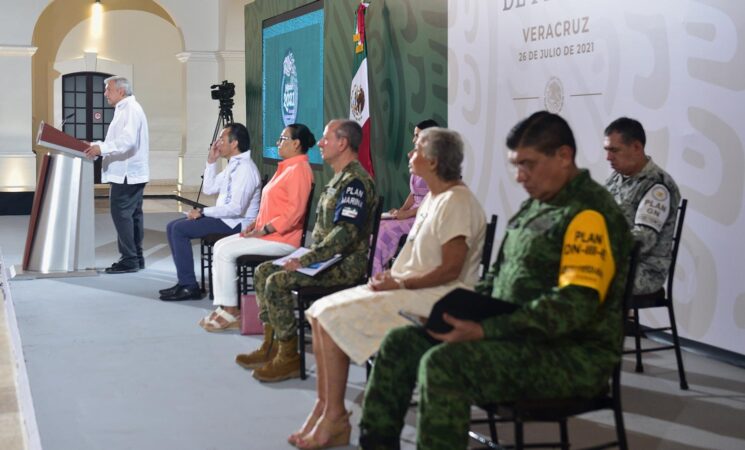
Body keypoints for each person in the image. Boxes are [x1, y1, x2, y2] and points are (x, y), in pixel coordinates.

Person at [358, 111, 632, 450]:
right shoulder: (537, 206)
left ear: (564, 156)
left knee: (444, 365)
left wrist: (486, 330)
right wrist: (455, 314)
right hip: (512, 338)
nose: (520, 176)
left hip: (567, 355)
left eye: (528, 165)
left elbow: (572, 306)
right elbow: (495, 280)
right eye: (516, 165)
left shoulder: (589, 214)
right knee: (400, 343)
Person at [290, 127, 486, 450]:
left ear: (434, 162)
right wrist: (391, 279)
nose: (411, 154)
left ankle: (333, 417)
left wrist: (400, 281)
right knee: (319, 312)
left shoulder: (457, 202)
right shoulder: (435, 198)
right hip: (405, 288)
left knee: (327, 315)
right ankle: (327, 410)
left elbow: (451, 268)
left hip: (434, 299)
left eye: (418, 149)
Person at [234, 119, 377, 383]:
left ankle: (288, 356)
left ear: (343, 143)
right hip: (325, 259)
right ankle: (272, 345)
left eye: (326, 138)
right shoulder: (340, 178)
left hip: (343, 265)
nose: (320, 143)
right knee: (264, 270)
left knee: (277, 281)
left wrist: (305, 260)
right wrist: (307, 259)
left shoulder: (355, 181)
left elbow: (343, 236)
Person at [198, 123, 315, 331]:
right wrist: (255, 224)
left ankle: (232, 311)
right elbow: (270, 207)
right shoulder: (286, 167)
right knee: (220, 246)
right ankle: (225, 305)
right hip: (267, 235)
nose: (279, 143)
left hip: (282, 240)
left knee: (225, 251)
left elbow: (293, 213)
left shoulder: (299, 170)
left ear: (296, 144)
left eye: (283, 139)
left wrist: (266, 229)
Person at [159, 123, 261, 301]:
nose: (217, 142)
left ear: (234, 143)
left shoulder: (245, 169)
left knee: (179, 230)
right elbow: (209, 188)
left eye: (222, 139)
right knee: (172, 226)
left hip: (238, 224)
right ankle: (185, 282)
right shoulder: (234, 165)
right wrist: (211, 162)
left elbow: (236, 208)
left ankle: (189, 286)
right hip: (226, 219)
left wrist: (203, 212)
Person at [603, 117, 681, 295]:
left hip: (643, 270)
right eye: (607, 150)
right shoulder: (616, 179)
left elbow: (643, 239)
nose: (608, 157)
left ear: (637, 148)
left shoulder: (657, 185)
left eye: (614, 150)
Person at [84, 76, 149, 274]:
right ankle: (136, 257)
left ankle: (129, 259)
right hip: (130, 173)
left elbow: (127, 141)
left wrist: (101, 148)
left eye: (108, 90)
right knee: (132, 216)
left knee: (122, 216)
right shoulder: (126, 109)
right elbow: (119, 139)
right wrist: (97, 145)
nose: (105, 94)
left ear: (121, 91)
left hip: (127, 174)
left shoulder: (130, 109)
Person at [371, 119, 438, 275]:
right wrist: (399, 212)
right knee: (378, 223)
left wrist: (406, 214)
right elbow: (414, 194)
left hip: (425, 217)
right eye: (414, 135)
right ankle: (376, 273)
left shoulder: (435, 164)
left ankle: (377, 273)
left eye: (417, 136)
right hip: (413, 213)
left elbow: (431, 199)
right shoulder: (419, 160)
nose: (413, 140)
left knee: (384, 231)